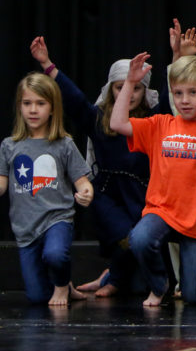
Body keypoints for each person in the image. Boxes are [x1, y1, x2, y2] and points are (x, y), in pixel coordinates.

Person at [29, 36, 166, 298]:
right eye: (121, 87)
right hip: (106, 192)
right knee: (125, 235)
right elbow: (75, 100)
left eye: (136, 88)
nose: (129, 93)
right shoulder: (99, 119)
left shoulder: (153, 119)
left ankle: (114, 277)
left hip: (139, 192)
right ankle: (114, 278)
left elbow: (171, 100)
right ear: (112, 89)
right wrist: (47, 64)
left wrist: (179, 57)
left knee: (136, 254)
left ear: (144, 91)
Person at [110, 53, 196, 306]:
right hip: (162, 211)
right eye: (178, 93)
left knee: (193, 297)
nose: (184, 100)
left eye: (193, 93)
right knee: (140, 238)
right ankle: (159, 286)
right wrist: (130, 82)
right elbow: (118, 123)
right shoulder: (160, 124)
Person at [0, 73, 93, 306]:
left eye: (40, 103)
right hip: (25, 228)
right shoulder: (9, 145)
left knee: (55, 254)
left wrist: (86, 192)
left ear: (53, 108)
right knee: (37, 298)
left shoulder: (63, 144)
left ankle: (61, 286)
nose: (33, 110)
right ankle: (65, 281)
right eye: (27, 103)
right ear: (19, 107)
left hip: (57, 219)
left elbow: (82, 181)